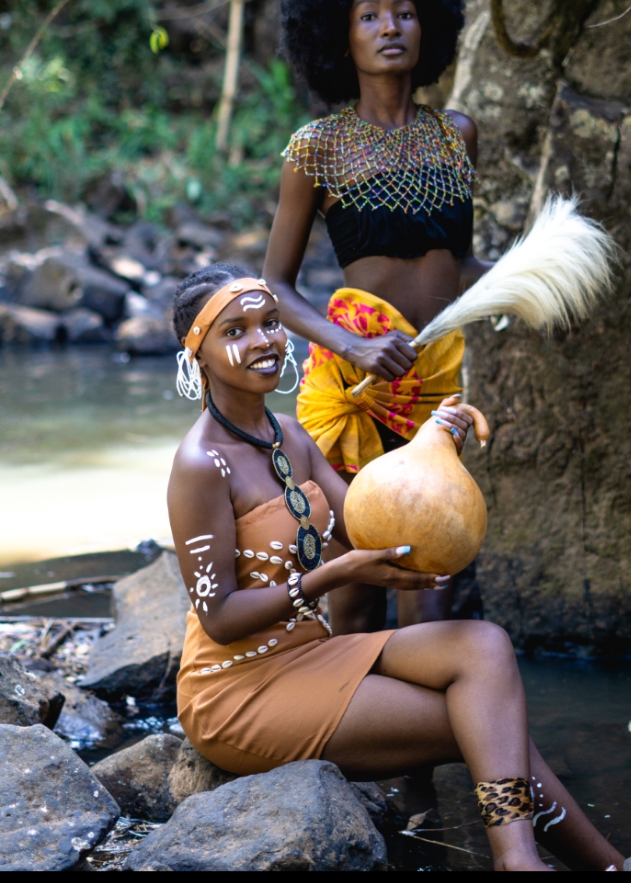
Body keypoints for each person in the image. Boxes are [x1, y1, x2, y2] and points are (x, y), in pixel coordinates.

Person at [168, 265, 623, 872]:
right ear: (195, 351)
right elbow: (220, 618)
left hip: (309, 653)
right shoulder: (201, 464)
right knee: (484, 725)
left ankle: (562, 865)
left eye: (271, 323)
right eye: (237, 330)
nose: (264, 341)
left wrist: (433, 442)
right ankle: (557, 863)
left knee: (483, 646)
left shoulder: (293, 436)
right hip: (236, 690)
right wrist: (333, 575)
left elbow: (366, 527)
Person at [263, 0, 493, 630]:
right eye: (369, 15)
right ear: (340, 33)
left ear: (430, 27)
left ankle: (422, 733)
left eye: (404, 12)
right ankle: (344, 733)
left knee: (432, 574)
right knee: (357, 574)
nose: (390, 27)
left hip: (432, 387)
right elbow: (274, 285)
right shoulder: (317, 149)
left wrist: (527, 279)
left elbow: (455, 262)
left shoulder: (455, 136)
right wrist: (351, 345)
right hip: (356, 387)